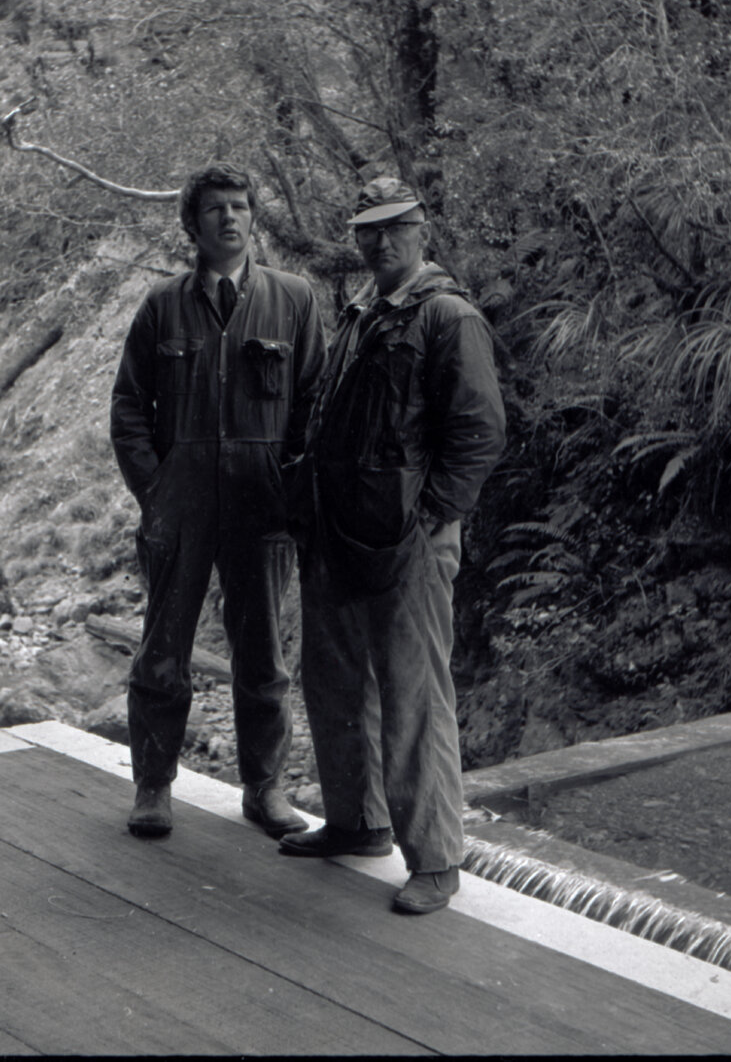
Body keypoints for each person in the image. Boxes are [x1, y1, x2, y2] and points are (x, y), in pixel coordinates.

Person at [279, 176, 506, 915]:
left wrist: (435, 514)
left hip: (407, 540)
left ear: (421, 231)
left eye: (395, 228)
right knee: (335, 682)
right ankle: (358, 821)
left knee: (414, 694)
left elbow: (479, 432)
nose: (380, 241)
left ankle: (436, 861)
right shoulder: (359, 313)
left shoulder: (449, 317)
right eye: (368, 230)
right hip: (338, 532)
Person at [111, 165, 326, 840]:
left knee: (262, 655)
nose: (228, 218)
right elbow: (128, 408)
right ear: (192, 223)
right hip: (181, 506)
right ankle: (152, 789)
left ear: (253, 218)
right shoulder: (162, 305)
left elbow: (315, 406)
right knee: (162, 651)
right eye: (214, 209)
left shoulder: (294, 300)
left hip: (263, 505)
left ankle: (265, 791)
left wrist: (293, 489)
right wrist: (156, 489)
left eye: (239, 207)